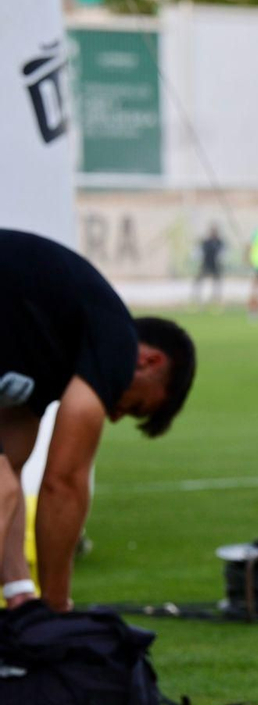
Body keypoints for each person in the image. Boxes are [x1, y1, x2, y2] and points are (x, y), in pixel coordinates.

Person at [0, 230, 196, 612]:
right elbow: (63, 483)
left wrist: (20, 592)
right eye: (135, 408)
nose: (114, 414)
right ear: (149, 362)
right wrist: (57, 612)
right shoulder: (117, 342)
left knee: (7, 483)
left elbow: (14, 465)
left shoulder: (41, 354)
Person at [192, 224, 225, 309]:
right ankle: (197, 300)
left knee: (216, 283)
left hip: (215, 265)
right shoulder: (206, 242)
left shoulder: (219, 242)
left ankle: (216, 300)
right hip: (206, 264)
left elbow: (223, 254)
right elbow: (200, 252)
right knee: (199, 281)